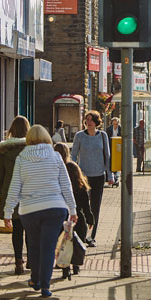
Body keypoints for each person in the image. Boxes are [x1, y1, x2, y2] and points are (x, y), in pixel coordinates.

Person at [3, 124, 76, 299]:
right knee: (48, 248)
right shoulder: (56, 156)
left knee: (34, 245)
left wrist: (7, 212)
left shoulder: (21, 158)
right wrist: (72, 209)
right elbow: (66, 185)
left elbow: (15, 187)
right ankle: (45, 286)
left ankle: (35, 279)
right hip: (54, 208)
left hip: (30, 210)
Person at [0, 115, 30, 274]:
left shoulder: (4, 151)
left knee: (17, 229)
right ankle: (32, 259)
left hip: (11, 194)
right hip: (29, 194)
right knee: (29, 229)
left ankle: (18, 261)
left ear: (12, 130)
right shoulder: (31, 149)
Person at [70, 111, 110, 246]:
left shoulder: (103, 136)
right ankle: (81, 233)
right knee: (82, 206)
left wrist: (110, 175)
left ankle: (91, 236)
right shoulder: (79, 136)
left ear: (97, 122)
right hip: (83, 176)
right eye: (87, 120)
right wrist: (73, 173)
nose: (89, 122)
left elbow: (107, 157)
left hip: (99, 175)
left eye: (92, 120)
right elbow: (74, 155)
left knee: (95, 207)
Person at [53, 142, 92, 278]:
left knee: (64, 243)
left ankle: (65, 268)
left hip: (61, 216)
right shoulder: (73, 167)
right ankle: (76, 266)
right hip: (78, 218)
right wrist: (90, 217)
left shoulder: (54, 169)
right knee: (77, 242)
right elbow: (85, 199)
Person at [106, 116, 121, 186]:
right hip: (110, 147)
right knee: (111, 162)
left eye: (116, 124)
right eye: (114, 124)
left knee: (118, 162)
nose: (115, 125)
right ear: (112, 123)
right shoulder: (108, 129)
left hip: (118, 147)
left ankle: (116, 177)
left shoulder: (121, 129)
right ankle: (112, 177)